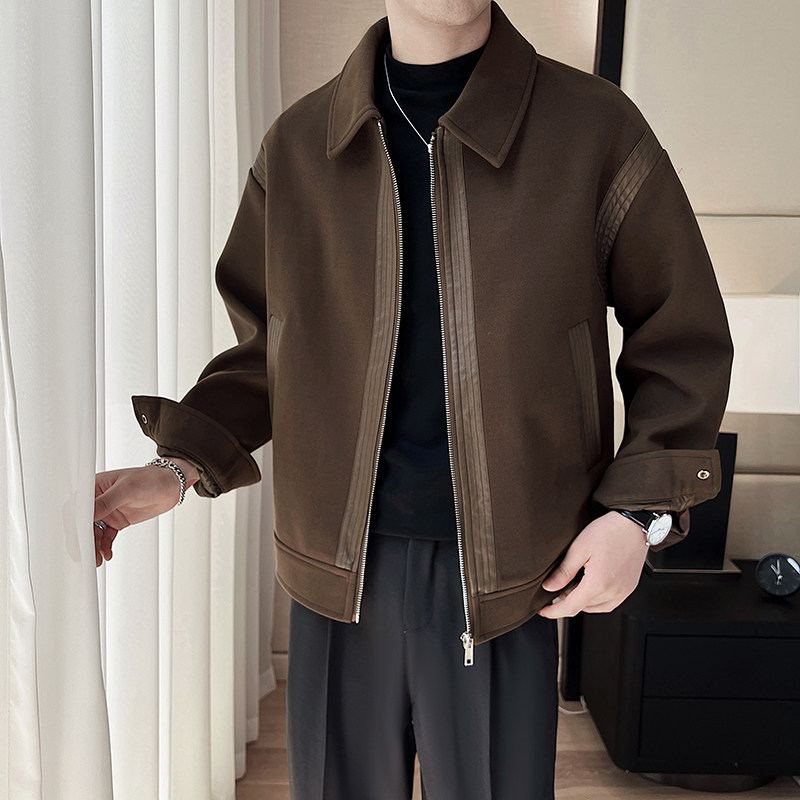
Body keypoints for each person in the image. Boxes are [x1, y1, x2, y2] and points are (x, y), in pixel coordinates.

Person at [93, 1, 734, 797]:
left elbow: (681, 331)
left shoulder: (593, 128)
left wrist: (638, 514)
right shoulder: (301, 146)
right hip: (336, 566)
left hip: (511, 571)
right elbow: (270, 351)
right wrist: (178, 466)